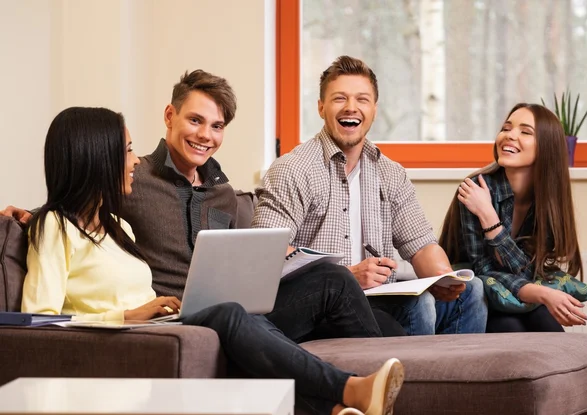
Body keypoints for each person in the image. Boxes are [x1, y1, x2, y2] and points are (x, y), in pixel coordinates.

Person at [20, 106, 404, 415]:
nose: (134, 160)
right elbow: (35, 323)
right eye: (126, 150)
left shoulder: (119, 227)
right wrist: (126, 317)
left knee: (324, 281)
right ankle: (350, 388)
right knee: (230, 313)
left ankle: (341, 402)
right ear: (96, 158)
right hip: (135, 338)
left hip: (168, 323)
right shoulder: (54, 227)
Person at [1, 69, 402, 342]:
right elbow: (78, 204)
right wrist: (30, 216)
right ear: (169, 116)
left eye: (217, 126)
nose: (205, 135)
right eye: (195, 121)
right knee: (338, 288)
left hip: (235, 309)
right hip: (185, 319)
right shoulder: (133, 179)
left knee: (386, 316)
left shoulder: (224, 193)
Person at [251, 55, 487, 336]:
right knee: (419, 305)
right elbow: (265, 253)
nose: (351, 107)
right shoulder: (293, 169)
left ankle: (456, 378)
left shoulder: (390, 173)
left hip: (381, 297)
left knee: (473, 291)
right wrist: (348, 276)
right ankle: (417, 379)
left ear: (374, 109)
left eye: (362, 99)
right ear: (321, 107)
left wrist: (445, 278)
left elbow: (422, 245)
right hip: (326, 304)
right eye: (340, 98)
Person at [438, 103, 587, 332]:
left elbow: (528, 270)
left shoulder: (548, 201)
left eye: (525, 132)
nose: (510, 136)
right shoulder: (474, 190)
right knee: (511, 328)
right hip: (472, 299)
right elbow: (482, 270)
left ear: (547, 147)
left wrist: (492, 223)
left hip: (518, 292)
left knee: (550, 330)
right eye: (507, 128)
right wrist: (488, 215)